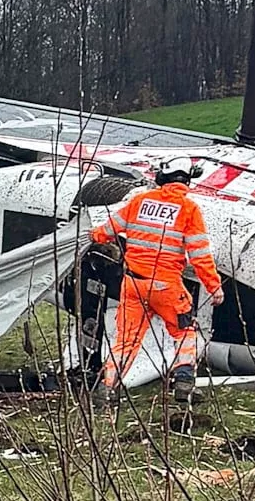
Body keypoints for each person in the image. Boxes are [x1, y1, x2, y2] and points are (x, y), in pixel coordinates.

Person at [89, 157, 225, 403]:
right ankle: (183, 383)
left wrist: (93, 235)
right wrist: (214, 286)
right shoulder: (188, 209)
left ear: (162, 177)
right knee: (184, 331)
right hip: (166, 286)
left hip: (132, 285)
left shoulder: (139, 202)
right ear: (186, 179)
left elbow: (106, 231)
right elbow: (199, 254)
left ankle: (106, 389)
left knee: (126, 340)